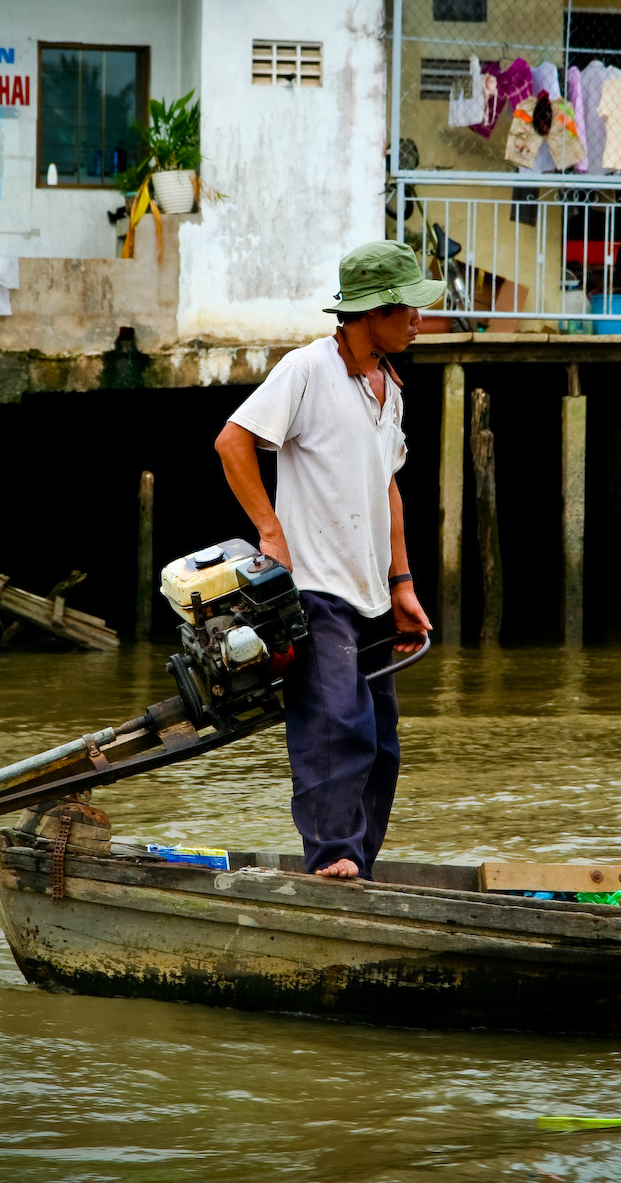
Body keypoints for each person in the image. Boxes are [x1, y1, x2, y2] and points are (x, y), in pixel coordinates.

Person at [214, 240, 442, 881]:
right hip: (315, 588)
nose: (418, 321)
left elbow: (388, 489)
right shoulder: (307, 370)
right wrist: (270, 529)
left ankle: (356, 868)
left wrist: (402, 584)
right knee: (335, 727)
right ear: (370, 314)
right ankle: (332, 858)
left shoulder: (388, 386)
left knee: (382, 745)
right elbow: (233, 442)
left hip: (371, 590)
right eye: (407, 310)